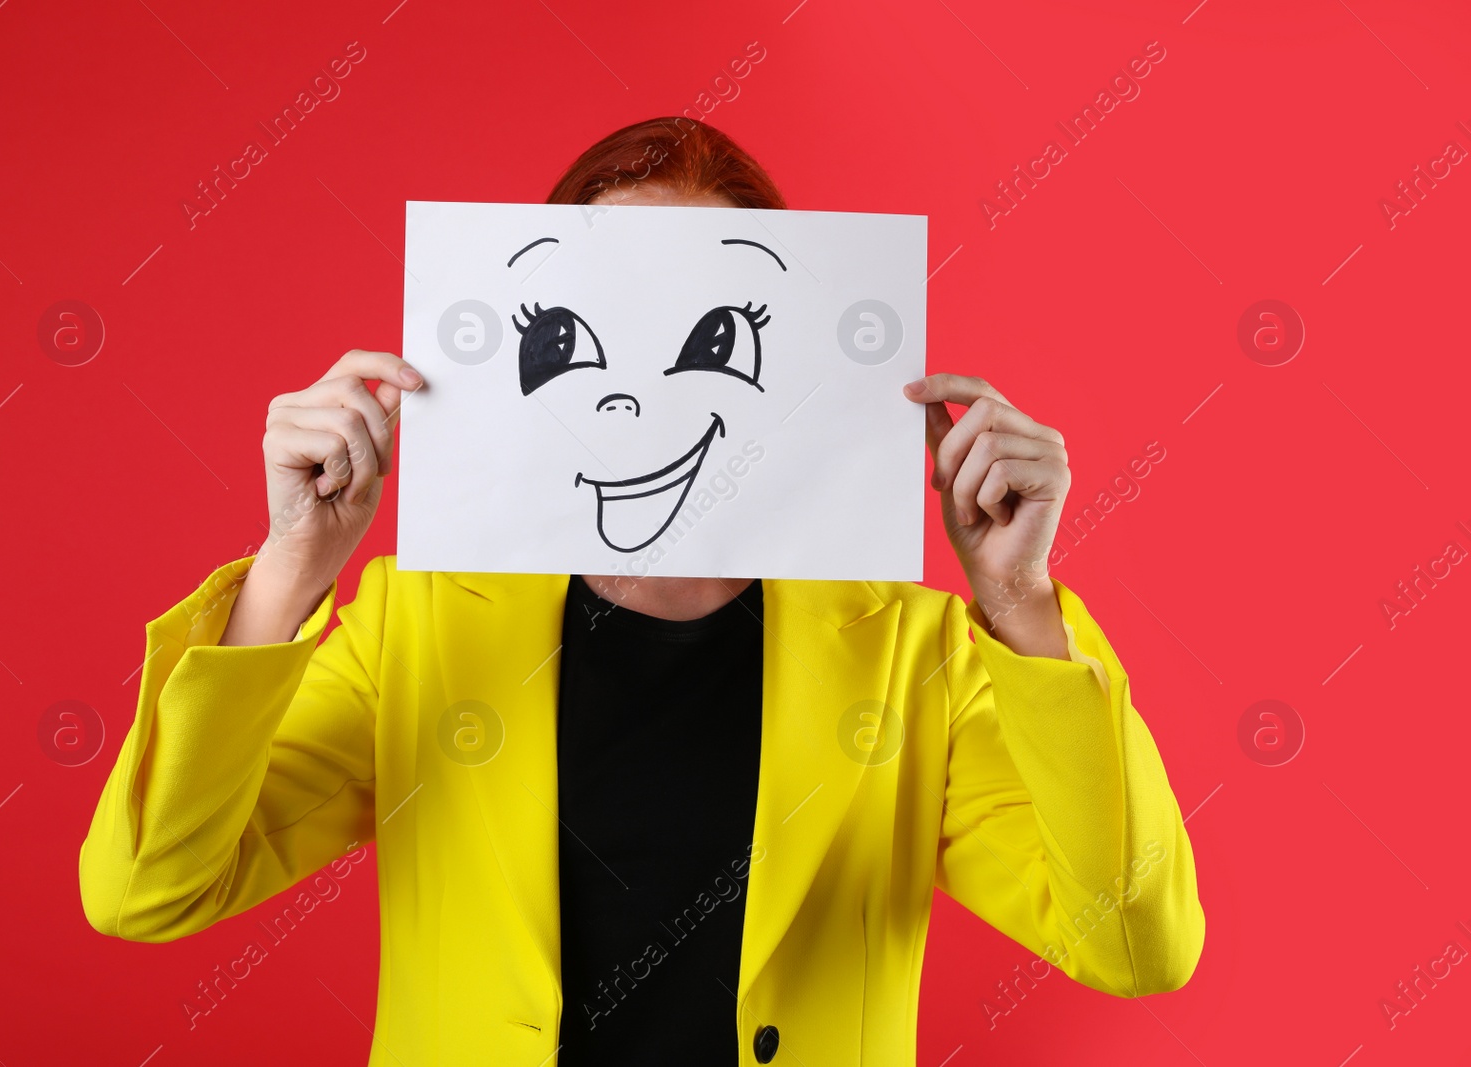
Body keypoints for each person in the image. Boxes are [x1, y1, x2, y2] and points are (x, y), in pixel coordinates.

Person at [79, 117, 1204, 1067]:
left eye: (711, 333)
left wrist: (1020, 605)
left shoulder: (916, 655)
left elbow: (1135, 944)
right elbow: (148, 886)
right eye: (582, 330)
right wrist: (288, 571)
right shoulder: (415, 625)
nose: (635, 394)